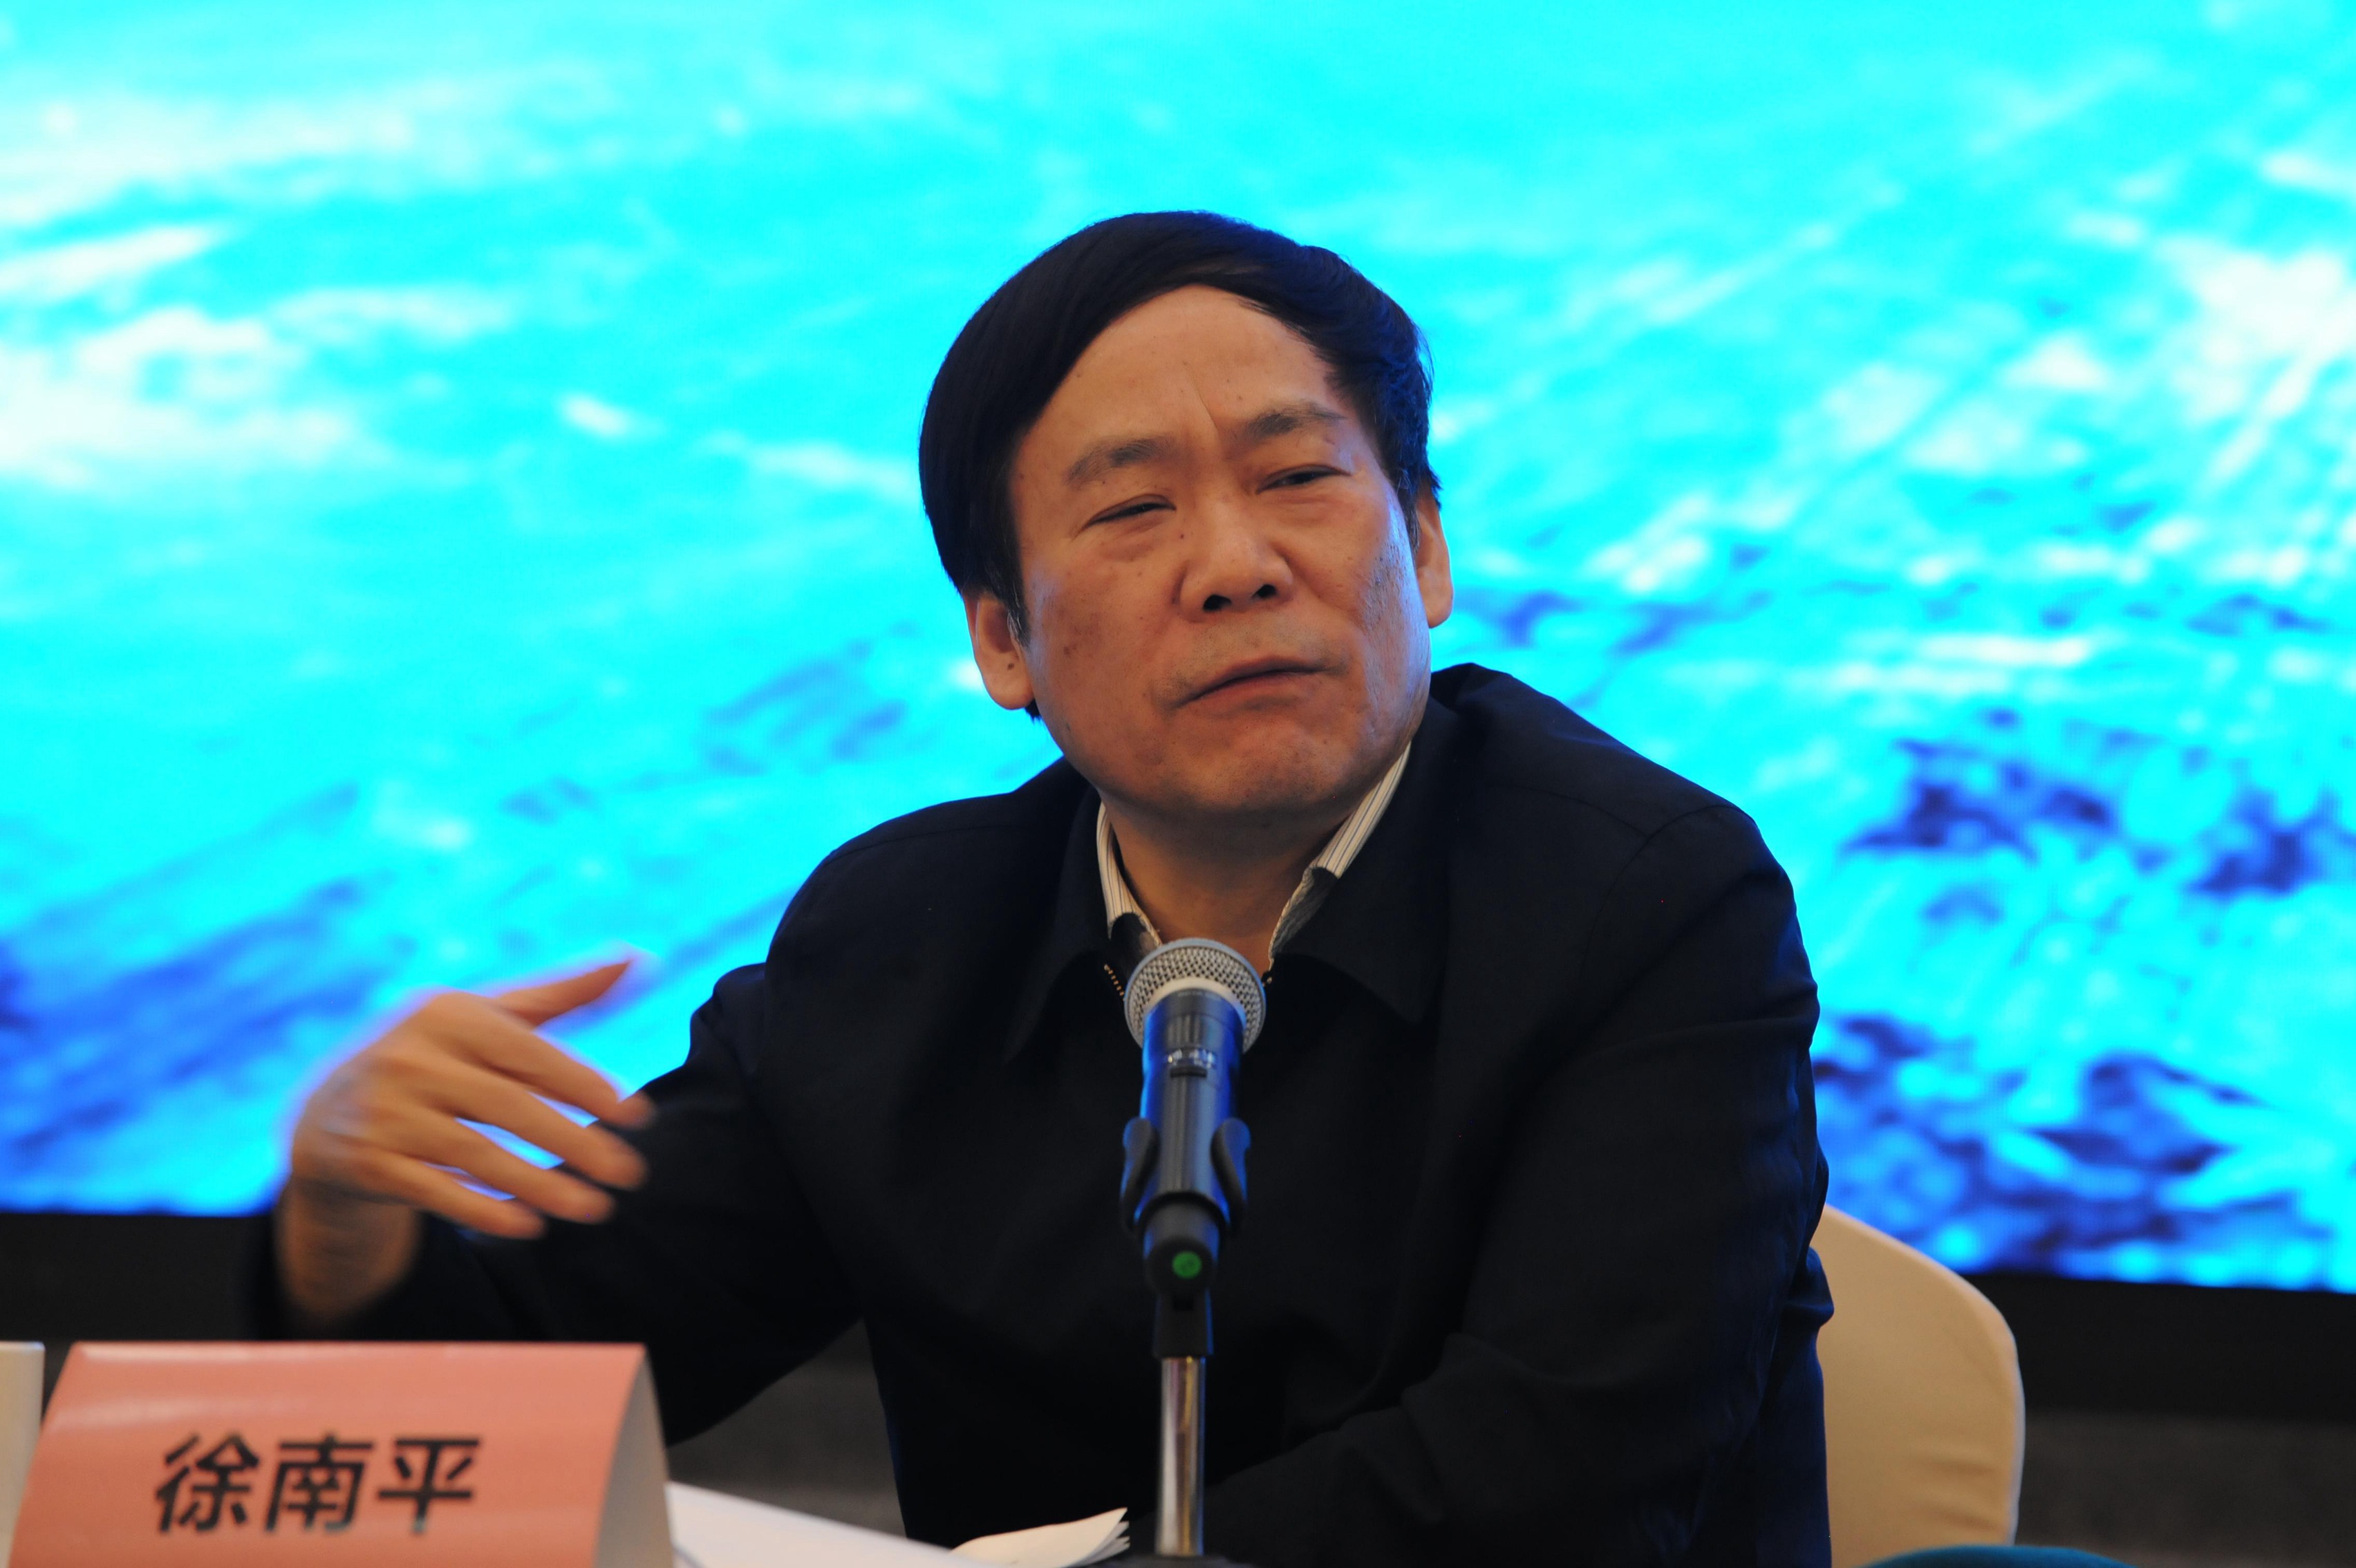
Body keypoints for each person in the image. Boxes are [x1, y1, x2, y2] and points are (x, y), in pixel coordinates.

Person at [263, 211, 1833, 1566]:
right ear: (1003, 640)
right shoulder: (899, 947)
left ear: (1422, 548)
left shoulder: (1650, 904)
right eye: (1135, 509)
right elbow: (513, 1413)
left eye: (1298, 476)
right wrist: (344, 1229)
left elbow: (1560, 1485)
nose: (1236, 564)